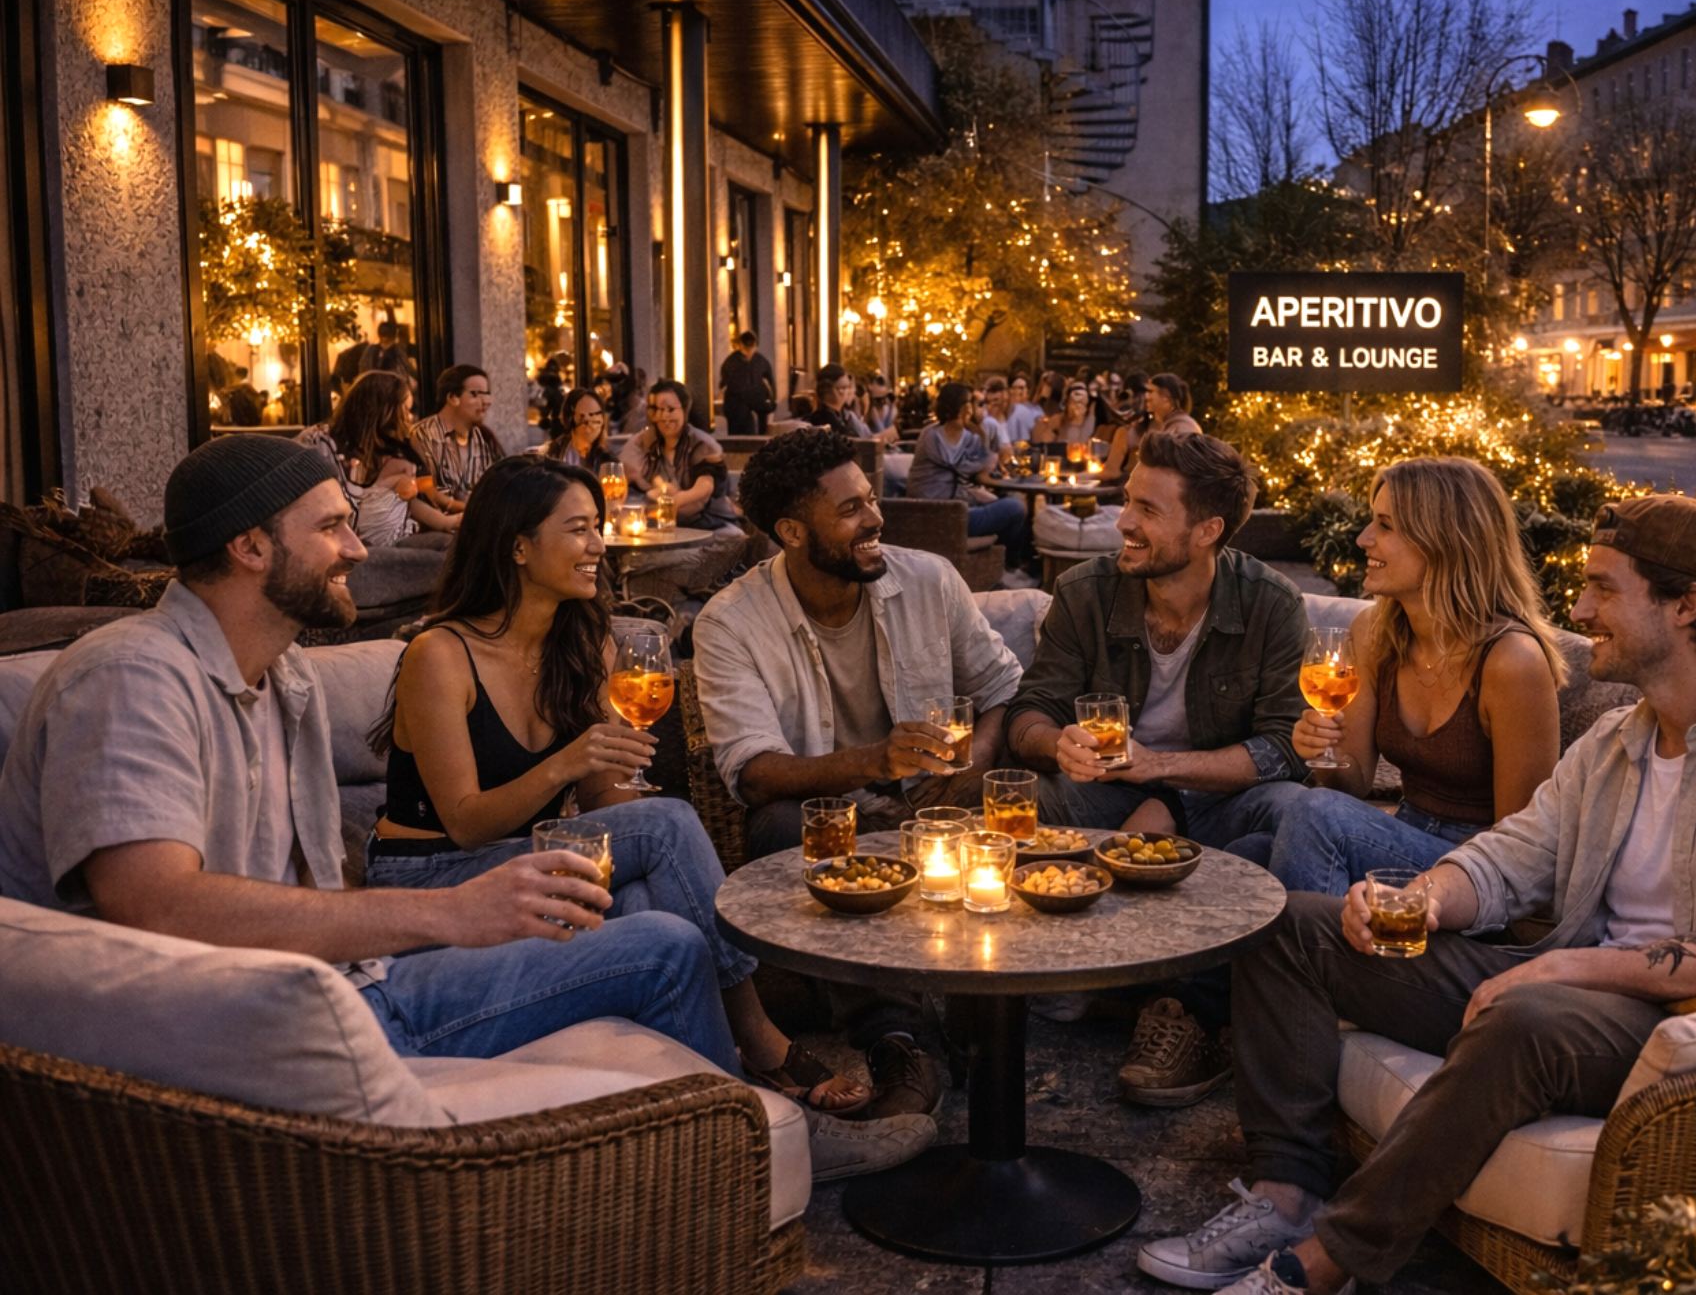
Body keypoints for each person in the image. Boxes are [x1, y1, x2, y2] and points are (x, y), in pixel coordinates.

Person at [0, 437, 927, 1180]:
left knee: (667, 934)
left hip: (345, 985)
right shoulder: (130, 675)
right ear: (249, 546)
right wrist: (446, 912)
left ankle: (741, 1146)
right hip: (257, 1033)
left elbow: (320, 879)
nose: (362, 548)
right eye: (331, 527)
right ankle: (762, 1143)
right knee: (661, 900)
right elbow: (151, 906)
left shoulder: (278, 679)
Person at [1140, 494, 1696, 1294]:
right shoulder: (1617, 741)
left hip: (1693, 1028)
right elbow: (1509, 857)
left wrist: (1564, 972)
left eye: (1603, 588)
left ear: (1687, 604)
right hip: (1571, 978)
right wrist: (1422, 898)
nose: (1580, 608)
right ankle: (1286, 1192)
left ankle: (1327, 1263)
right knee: (1287, 926)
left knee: (1521, 1012)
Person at [363, 454, 876, 1117]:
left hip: (531, 860)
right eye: (577, 529)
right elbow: (464, 822)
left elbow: (611, 804)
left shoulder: (582, 643)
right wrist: (569, 763)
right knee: (664, 827)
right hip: (433, 878)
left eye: (596, 527)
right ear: (518, 545)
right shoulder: (439, 655)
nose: (597, 545)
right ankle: (760, 1046)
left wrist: (617, 779)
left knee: (652, 901)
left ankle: (704, 1116)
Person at [694, 426, 1027, 1119]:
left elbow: (1004, 687)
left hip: (934, 803)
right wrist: (872, 762)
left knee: (1013, 810)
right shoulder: (732, 622)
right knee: (786, 827)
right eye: (850, 510)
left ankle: (878, 996)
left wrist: (982, 759)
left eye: (871, 499)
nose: (875, 517)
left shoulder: (928, 579)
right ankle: (904, 1040)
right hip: (829, 817)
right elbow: (752, 775)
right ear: (791, 530)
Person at [1005, 432, 1312, 1104]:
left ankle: (1186, 1016)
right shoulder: (1086, 592)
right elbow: (1029, 709)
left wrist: (1163, 778)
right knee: (1022, 800)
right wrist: (1056, 743)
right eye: (1127, 502)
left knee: (1290, 816)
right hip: (1106, 795)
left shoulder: (1270, 604)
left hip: (1216, 802)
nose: (1124, 522)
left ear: (1207, 530)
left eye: (1147, 509)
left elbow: (1286, 748)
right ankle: (1031, 978)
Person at [1257, 458, 1565, 895]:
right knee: (1251, 848)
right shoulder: (1375, 634)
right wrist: (1323, 751)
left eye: (1385, 526)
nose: (1364, 539)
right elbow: (1353, 782)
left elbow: (1522, 849)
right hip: (1403, 831)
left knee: (1313, 813)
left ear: (1444, 542)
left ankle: (1313, 960)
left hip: (1476, 868)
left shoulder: (1511, 660)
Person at [614, 380, 749, 601]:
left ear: (684, 409)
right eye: (657, 409)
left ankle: (688, 583)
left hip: (711, 528)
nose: (664, 416)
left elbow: (704, 488)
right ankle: (690, 591)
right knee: (635, 555)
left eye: (670, 409)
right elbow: (624, 472)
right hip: (666, 530)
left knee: (735, 539)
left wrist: (668, 502)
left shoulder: (702, 443)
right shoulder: (645, 442)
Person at [298, 370, 459, 548]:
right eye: (405, 410)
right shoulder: (319, 444)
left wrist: (449, 517)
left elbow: (419, 497)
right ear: (383, 411)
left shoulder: (396, 450)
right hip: (338, 544)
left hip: (395, 540)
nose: (410, 418)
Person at [907, 381, 1032, 575]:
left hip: (959, 508)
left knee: (1013, 505)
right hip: (934, 514)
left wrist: (979, 436)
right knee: (1013, 507)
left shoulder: (970, 438)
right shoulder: (931, 435)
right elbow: (958, 464)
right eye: (969, 403)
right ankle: (1010, 568)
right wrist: (982, 444)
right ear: (959, 407)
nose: (973, 408)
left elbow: (976, 475)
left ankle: (1006, 566)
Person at [411, 364, 505, 515]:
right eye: (475, 394)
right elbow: (425, 493)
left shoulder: (482, 438)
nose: (486, 401)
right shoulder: (422, 435)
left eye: (487, 394)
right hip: (439, 527)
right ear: (452, 398)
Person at [1103, 373, 1201, 486]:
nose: (1146, 397)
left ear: (1166, 398)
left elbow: (1175, 473)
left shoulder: (1183, 427)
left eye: (1151, 391)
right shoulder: (1163, 425)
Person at [540, 388, 614, 472]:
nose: (590, 424)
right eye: (582, 416)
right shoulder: (556, 453)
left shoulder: (608, 459)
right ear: (570, 418)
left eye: (594, 416)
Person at [718, 331, 776, 437]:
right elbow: (724, 383)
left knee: (760, 426)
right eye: (746, 349)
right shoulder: (732, 362)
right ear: (740, 346)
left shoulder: (760, 361)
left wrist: (772, 401)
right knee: (738, 427)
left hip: (756, 399)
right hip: (738, 401)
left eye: (751, 348)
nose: (749, 352)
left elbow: (770, 381)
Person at [808, 366, 871, 438]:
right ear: (829, 389)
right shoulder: (823, 418)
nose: (848, 391)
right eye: (843, 387)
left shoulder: (841, 415)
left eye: (848, 387)